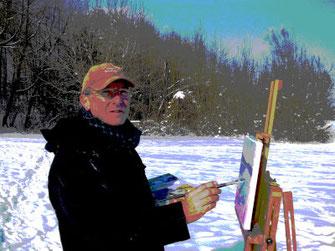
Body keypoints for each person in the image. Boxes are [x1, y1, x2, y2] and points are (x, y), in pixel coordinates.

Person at [41, 63, 221, 250]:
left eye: (124, 93)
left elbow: (120, 202)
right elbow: (105, 236)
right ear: (85, 100)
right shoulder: (73, 157)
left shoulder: (119, 141)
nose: (119, 99)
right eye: (108, 92)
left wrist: (161, 199)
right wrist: (182, 214)